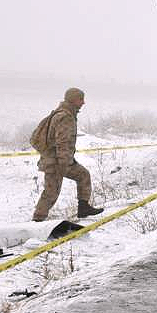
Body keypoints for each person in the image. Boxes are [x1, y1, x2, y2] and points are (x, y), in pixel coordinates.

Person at [31, 88, 103, 222]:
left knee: (82, 176)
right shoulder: (65, 117)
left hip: (57, 160)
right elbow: (63, 142)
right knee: (51, 192)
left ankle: (83, 209)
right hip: (57, 162)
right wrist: (64, 164)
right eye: (81, 99)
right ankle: (38, 221)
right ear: (73, 99)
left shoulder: (61, 113)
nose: (83, 102)